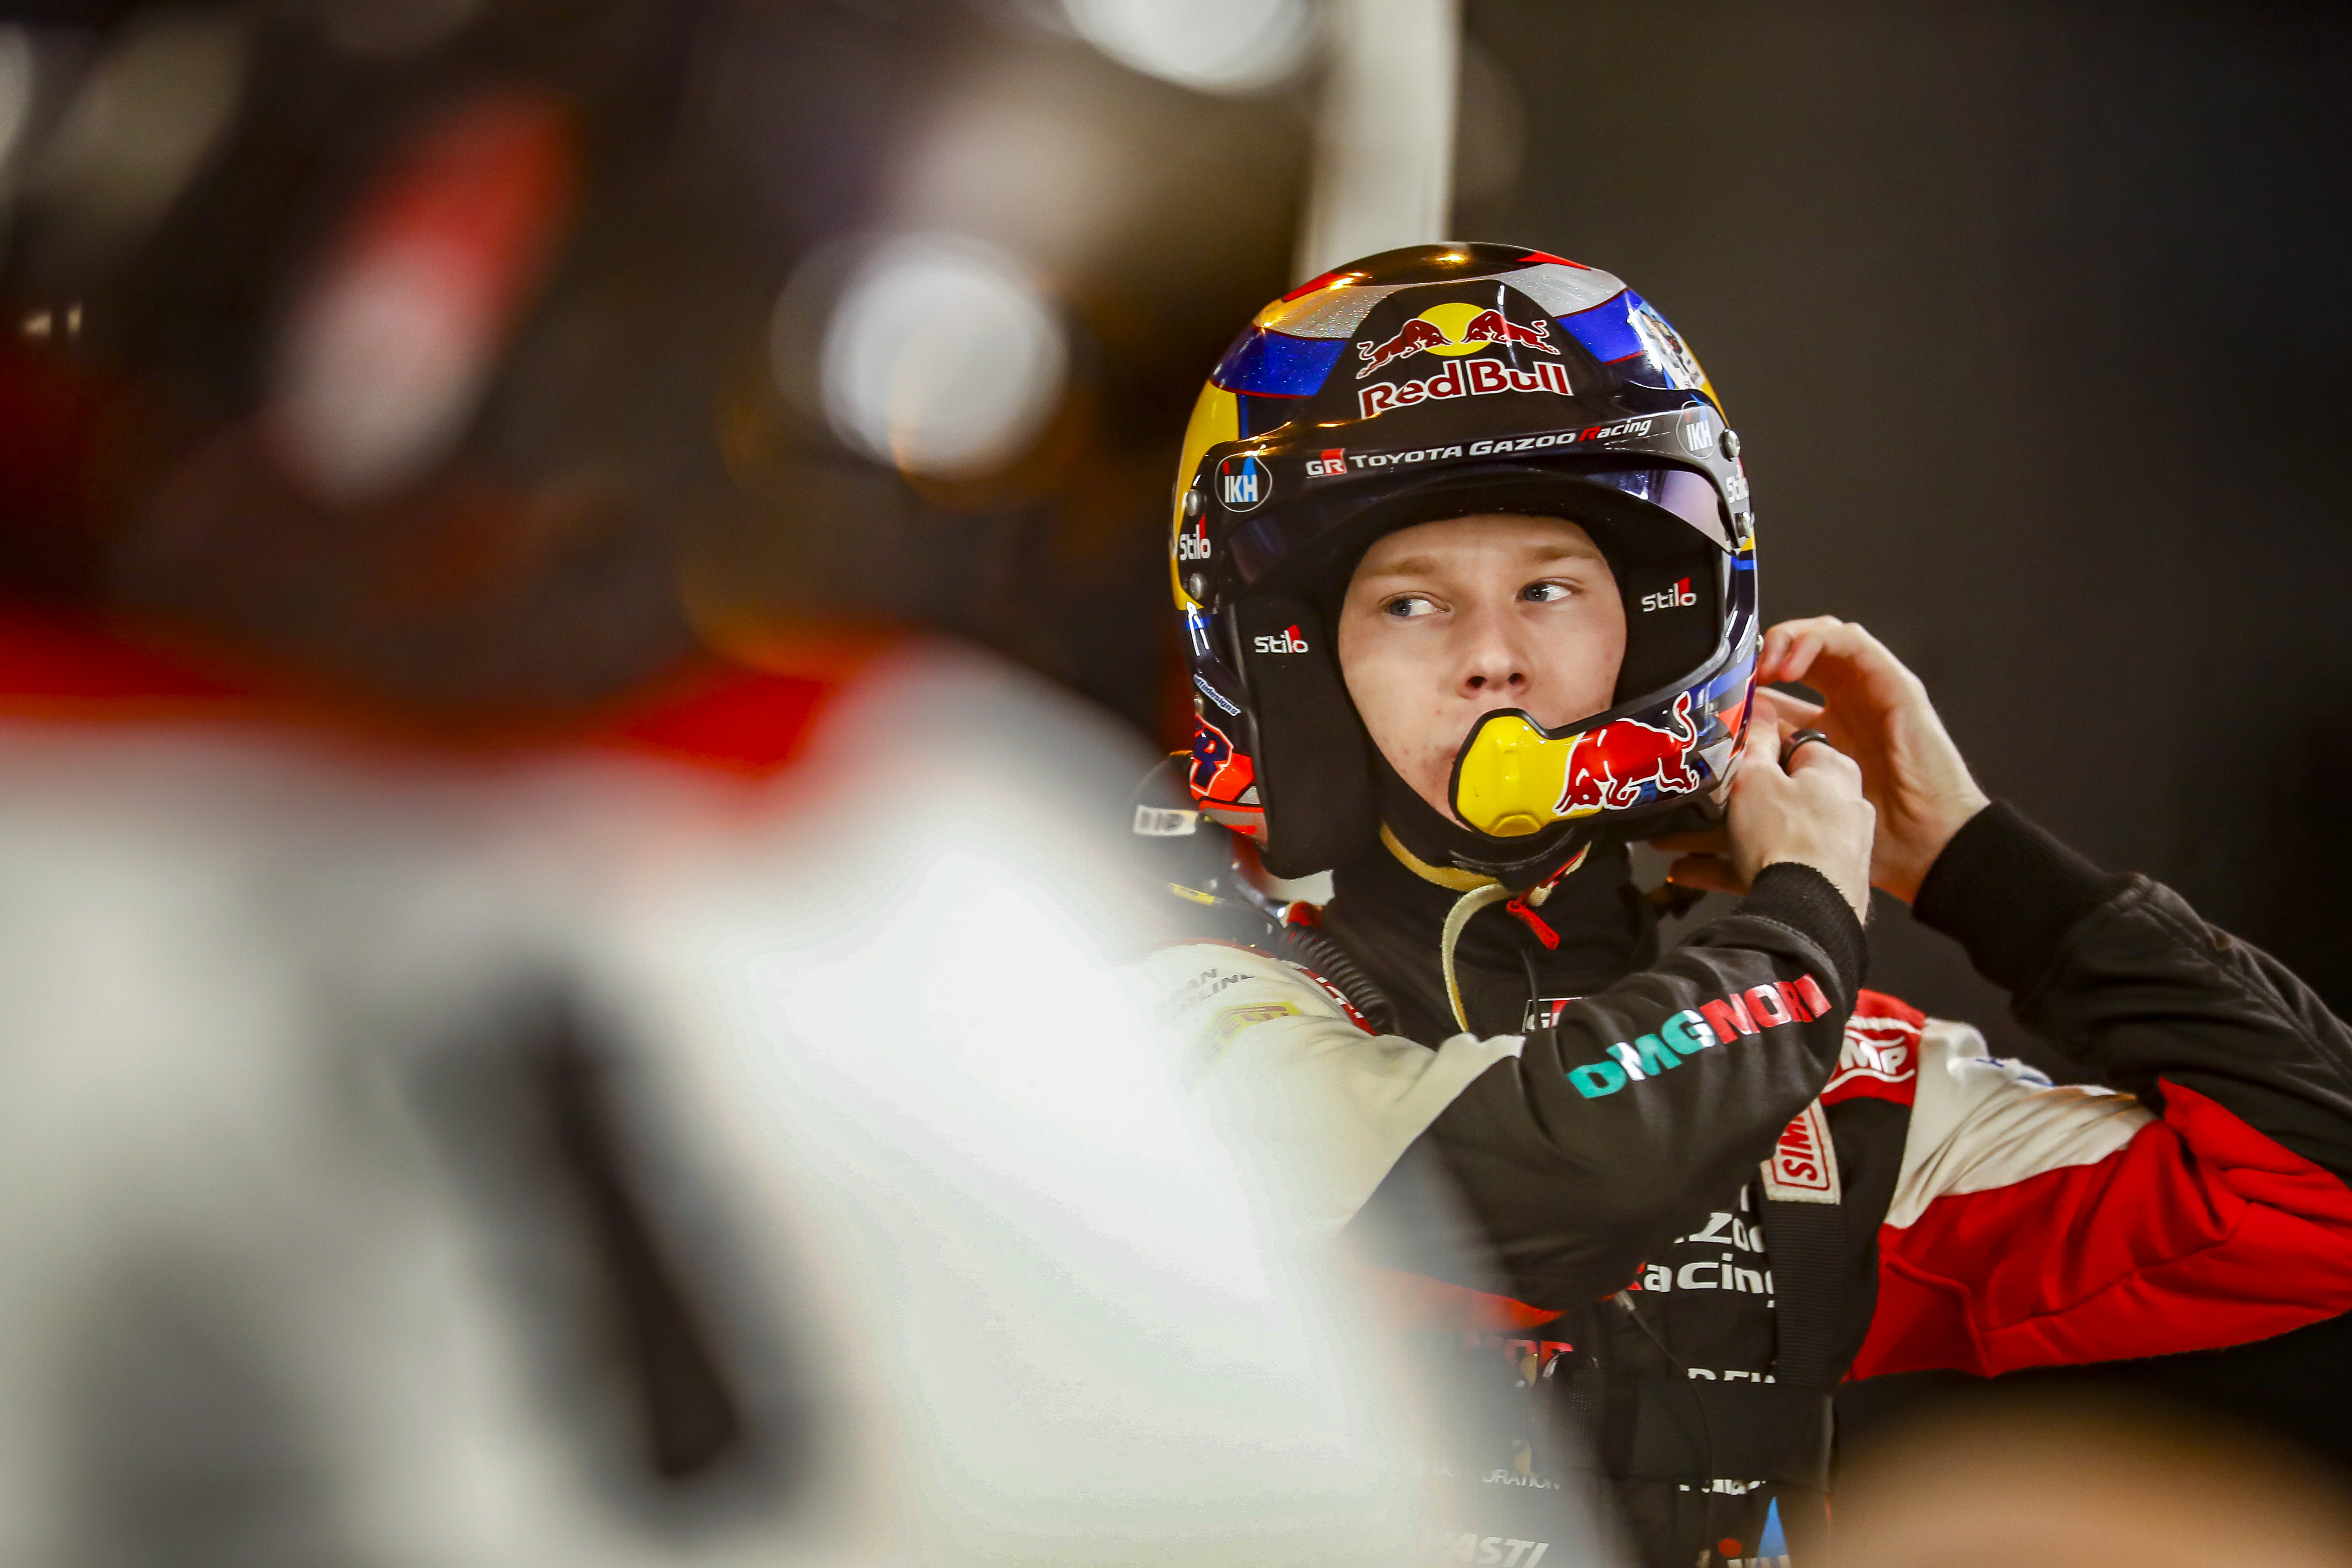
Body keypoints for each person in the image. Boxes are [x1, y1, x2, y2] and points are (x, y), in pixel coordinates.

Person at [1133, 243, 2352, 1568]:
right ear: (1303, 665)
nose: (1494, 658)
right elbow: (1554, 1180)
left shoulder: (1826, 1092)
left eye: (1550, 589)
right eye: (1412, 603)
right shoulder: (1162, 1019)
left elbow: (2317, 1196)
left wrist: (1968, 859)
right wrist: (1804, 916)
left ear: (1653, 636)